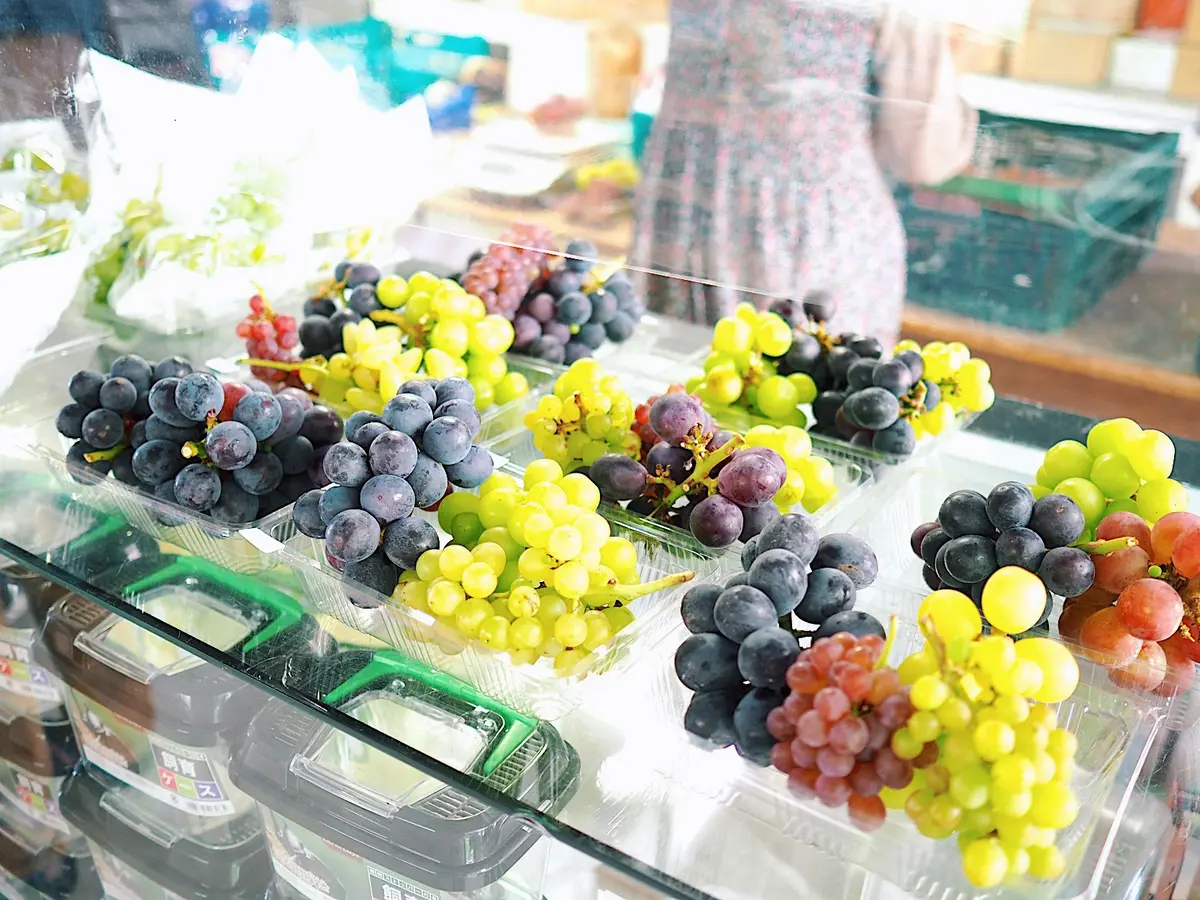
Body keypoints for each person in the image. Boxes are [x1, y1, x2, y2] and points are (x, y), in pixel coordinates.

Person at [630, 0, 977, 346]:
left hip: (679, 215)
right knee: (794, 386)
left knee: (674, 385)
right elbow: (927, 155)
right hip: (802, 236)